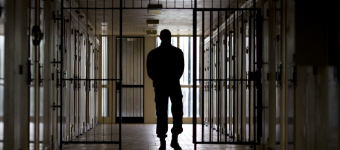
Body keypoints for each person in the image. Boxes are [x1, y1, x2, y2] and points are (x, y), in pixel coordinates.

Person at [147, 29, 184, 150]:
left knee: (161, 113)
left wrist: (159, 80)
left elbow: (150, 72)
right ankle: (174, 139)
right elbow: (180, 70)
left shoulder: (153, 54)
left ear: (160, 38)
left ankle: (162, 143)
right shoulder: (177, 52)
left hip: (160, 86)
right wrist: (172, 79)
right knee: (177, 112)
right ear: (170, 37)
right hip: (174, 85)